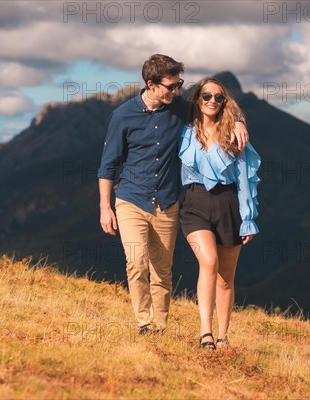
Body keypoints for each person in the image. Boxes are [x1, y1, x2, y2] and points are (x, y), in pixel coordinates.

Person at [98, 55, 248, 335]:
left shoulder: (180, 108)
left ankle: (160, 326)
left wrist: (238, 120)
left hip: (167, 202)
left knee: (162, 271)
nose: (177, 91)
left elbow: (215, 106)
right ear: (151, 84)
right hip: (130, 198)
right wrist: (105, 207)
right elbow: (107, 165)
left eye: (179, 84)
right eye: (171, 86)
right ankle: (144, 323)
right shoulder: (122, 116)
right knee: (136, 261)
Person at [179, 77, 261, 349]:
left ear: (224, 102)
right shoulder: (185, 131)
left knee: (226, 279)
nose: (212, 101)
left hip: (228, 205)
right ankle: (206, 334)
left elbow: (245, 179)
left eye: (218, 97)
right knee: (209, 262)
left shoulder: (234, 135)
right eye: (206, 96)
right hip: (194, 203)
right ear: (197, 100)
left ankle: (224, 336)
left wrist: (248, 219)